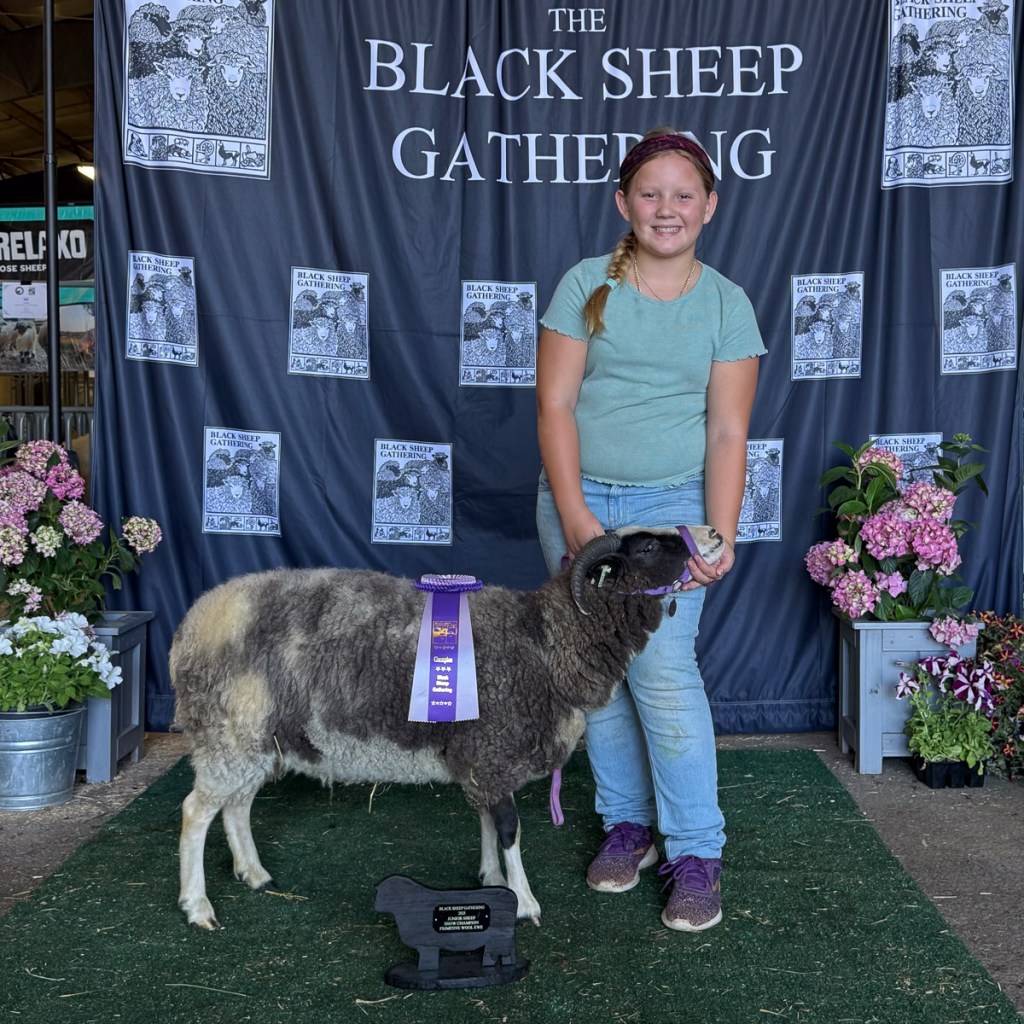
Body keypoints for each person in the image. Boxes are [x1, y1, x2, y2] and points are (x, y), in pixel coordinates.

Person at [535, 128, 765, 932]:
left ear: (710, 205)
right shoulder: (584, 285)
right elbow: (556, 406)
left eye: (683, 194)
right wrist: (577, 521)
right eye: (650, 193)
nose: (667, 208)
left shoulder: (727, 304)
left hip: (673, 513)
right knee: (599, 676)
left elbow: (728, 433)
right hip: (582, 500)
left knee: (663, 676)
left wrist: (720, 532)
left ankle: (696, 851)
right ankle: (626, 825)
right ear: (623, 202)